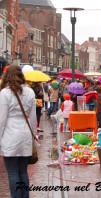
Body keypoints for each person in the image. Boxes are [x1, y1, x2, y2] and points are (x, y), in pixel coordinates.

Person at [0, 65, 37, 198]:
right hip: (25, 135)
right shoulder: (30, 92)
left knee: (13, 173)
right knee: (23, 172)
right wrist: (33, 136)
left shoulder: (5, 93)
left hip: (10, 136)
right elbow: (33, 118)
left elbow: (1, 120)